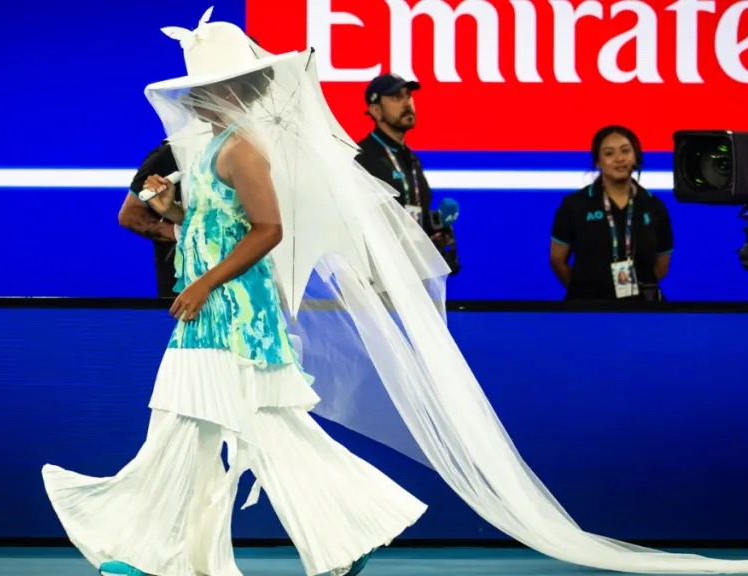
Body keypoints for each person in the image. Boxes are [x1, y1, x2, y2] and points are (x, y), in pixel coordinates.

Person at [42, 12, 427, 576]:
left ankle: (162, 557)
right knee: (232, 429)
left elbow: (268, 230)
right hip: (213, 313)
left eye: (204, 86)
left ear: (229, 89)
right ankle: (334, 533)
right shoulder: (213, 147)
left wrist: (201, 281)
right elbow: (210, 227)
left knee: (197, 425)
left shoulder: (242, 149)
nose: (194, 96)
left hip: (231, 316)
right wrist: (167, 209)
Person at [550, 126, 673, 301]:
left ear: (635, 156)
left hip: (642, 313)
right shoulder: (574, 204)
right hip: (587, 312)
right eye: (609, 153)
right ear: (598, 162)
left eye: (626, 151)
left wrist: (631, 296)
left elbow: (661, 266)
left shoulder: (654, 206)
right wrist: (583, 294)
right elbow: (557, 260)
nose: (619, 159)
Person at [354, 75, 458, 273]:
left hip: (415, 274)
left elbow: (412, 213)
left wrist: (433, 233)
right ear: (376, 110)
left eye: (408, 95)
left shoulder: (412, 159)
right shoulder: (361, 157)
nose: (407, 102)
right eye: (396, 97)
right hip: (379, 278)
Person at [118, 141, 182, 297]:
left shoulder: (245, 148)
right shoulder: (172, 152)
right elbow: (131, 215)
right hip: (184, 286)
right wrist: (185, 234)